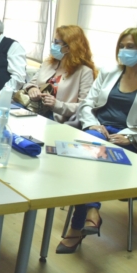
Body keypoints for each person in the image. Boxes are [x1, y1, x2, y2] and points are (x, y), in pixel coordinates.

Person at [57, 27, 137, 254]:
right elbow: (86, 105)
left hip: (128, 139)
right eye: (122, 46)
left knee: (85, 155)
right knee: (89, 148)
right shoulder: (110, 72)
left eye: (130, 47)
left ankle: (77, 227)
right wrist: (92, 124)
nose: (124, 51)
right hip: (97, 132)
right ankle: (90, 213)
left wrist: (130, 135)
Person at [23, 25, 97, 123]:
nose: (53, 45)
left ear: (69, 47)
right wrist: (32, 89)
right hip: (33, 109)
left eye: (56, 42)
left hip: (57, 118)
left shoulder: (84, 72)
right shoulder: (48, 63)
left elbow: (84, 106)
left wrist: (57, 105)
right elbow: (30, 83)